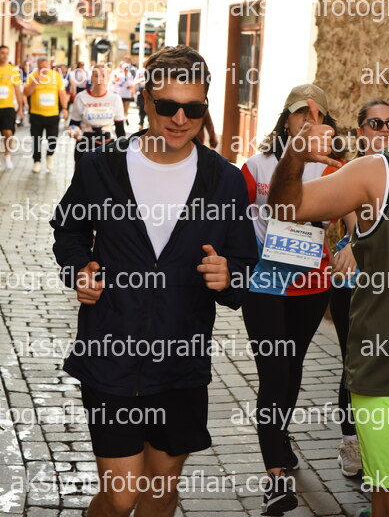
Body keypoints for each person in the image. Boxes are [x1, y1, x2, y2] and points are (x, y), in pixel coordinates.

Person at [50, 44, 258, 517]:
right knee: (121, 496)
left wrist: (229, 275)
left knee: (161, 493)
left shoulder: (224, 180)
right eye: (167, 106)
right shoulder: (101, 166)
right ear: (146, 100)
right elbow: (69, 228)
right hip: (110, 356)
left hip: (180, 363)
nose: (180, 119)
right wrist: (79, 268)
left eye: (194, 109)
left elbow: (245, 261)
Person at [268, 98, 389, 517]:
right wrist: (295, 157)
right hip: (387, 379)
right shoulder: (376, 172)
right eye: (376, 123)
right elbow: (286, 209)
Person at [240, 84, 354, 516]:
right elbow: (232, 221)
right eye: (299, 113)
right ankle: (275, 477)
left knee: (291, 369)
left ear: (327, 124)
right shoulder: (256, 166)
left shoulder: (335, 170)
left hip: (311, 286)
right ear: (285, 119)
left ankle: (280, 437)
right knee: (273, 373)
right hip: (263, 285)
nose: (307, 121)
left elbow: (358, 222)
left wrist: (352, 244)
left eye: (317, 115)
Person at [330, 99, 389, 480]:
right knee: (354, 361)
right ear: (360, 132)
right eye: (376, 124)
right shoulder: (353, 172)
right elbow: (360, 227)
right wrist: (355, 247)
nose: (385, 130)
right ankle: (350, 440)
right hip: (354, 278)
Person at [68, 64, 125, 164]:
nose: (100, 79)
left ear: (108, 78)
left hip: (107, 144)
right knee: (83, 173)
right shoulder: (81, 97)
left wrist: (123, 150)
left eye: (103, 76)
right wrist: (72, 131)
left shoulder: (115, 99)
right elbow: (73, 123)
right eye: (96, 75)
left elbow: (120, 128)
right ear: (91, 78)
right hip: (85, 143)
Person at [24, 57, 68, 173]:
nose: (44, 69)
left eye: (46, 66)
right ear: (38, 66)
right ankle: (37, 161)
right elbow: (26, 93)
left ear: (49, 65)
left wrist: (64, 108)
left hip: (52, 114)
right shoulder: (32, 76)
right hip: (36, 114)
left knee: (52, 138)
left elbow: (62, 93)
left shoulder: (56, 76)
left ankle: (50, 154)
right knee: (36, 139)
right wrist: (35, 82)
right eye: (41, 67)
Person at [0, 45, 23, 170]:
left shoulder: (13, 70)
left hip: (8, 106)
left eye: (7, 53)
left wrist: (20, 108)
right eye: (2, 53)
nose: (5, 55)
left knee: (8, 132)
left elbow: (18, 90)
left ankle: (7, 155)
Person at [108, 62, 135, 131]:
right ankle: (121, 120)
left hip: (127, 94)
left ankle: (126, 119)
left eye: (127, 68)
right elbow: (115, 83)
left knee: (126, 108)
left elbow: (132, 84)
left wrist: (131, 89)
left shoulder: (130, 76)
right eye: (125, 68)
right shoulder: (119, 75)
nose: (126, 70)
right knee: (120, 108)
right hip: (120, 93)